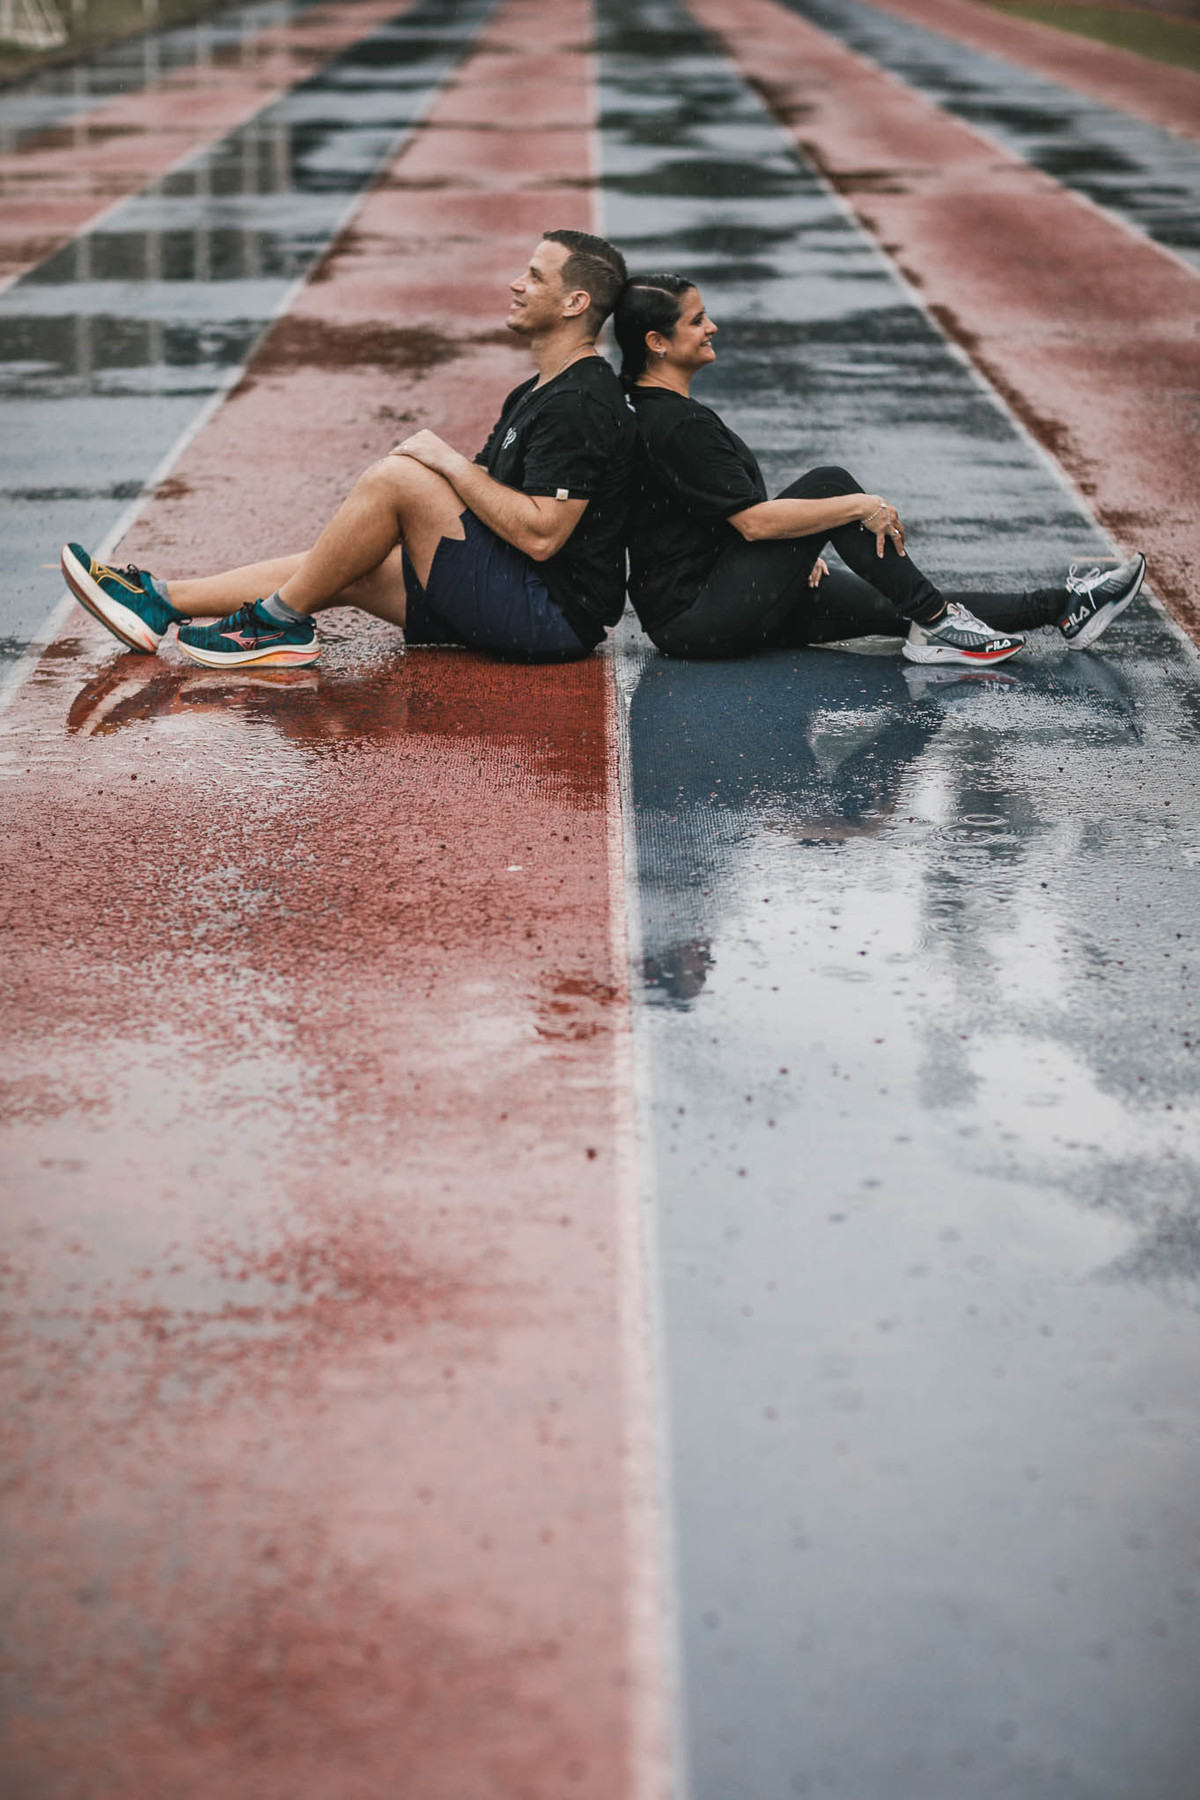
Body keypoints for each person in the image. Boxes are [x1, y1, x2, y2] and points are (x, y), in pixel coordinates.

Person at [60, 231, 635, 669]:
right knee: (348, 563)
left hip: (547, 617)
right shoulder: (538, 389)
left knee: (399, 478)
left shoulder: (581, 402)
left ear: (574, 302)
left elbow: (542, 534)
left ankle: (276, 624)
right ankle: (159, 602)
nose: (516, 284)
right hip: (519, 592)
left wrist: (444, 464)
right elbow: (486, 493)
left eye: (534, 276)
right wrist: (435, 493)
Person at [611, 274, 1146, 666]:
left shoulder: (653, 409)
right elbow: (753, 523)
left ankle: (1063, 608)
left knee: (899, 604)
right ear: (657, 342)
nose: (712, 326)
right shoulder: (675, 423)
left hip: (716, 596)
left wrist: (787, 558)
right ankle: (938, 624)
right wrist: (857, 507)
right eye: (696, 321)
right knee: (832, 484)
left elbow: (704, 513)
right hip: (700, 615)